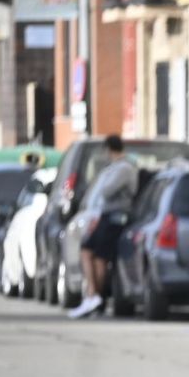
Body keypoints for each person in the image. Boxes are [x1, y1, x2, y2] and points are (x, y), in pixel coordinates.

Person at [69, 135, 139, 319]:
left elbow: (107, 190)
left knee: (100, 258)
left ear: (109, 149)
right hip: (104, 216)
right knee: (87, 251)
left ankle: (95, 298)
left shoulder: (124, 168)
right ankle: (92, 295)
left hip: (114, 218)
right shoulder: (115, 167)